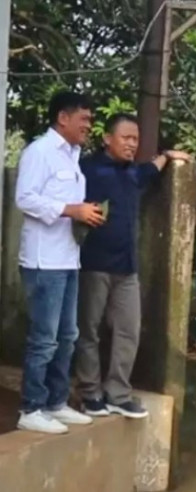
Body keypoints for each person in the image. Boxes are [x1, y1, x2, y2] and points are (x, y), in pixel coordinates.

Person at [75, 113, 191, 419]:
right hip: (93, 264)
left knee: (129, 331)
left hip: (127, 268)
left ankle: (118, 393)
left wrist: (166, 156)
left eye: (135, 139)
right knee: (88, 331)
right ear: (107, 139)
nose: (131, 144)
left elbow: (151, 170)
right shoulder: (86, 169)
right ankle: (89, 393)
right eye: (125, 137)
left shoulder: (133, 174)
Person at [15, 91, 104, 434]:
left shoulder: (72, 156)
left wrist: (87, 214)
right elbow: (25, 198)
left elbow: (64, 202)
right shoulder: (40, 152)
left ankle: (56, 402)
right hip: (43, 260)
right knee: (45, 338)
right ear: (63, 118)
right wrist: (72, 210)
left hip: (68, 257)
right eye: (84, 119)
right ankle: (31, 408)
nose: (88, 125)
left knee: (68, 335)